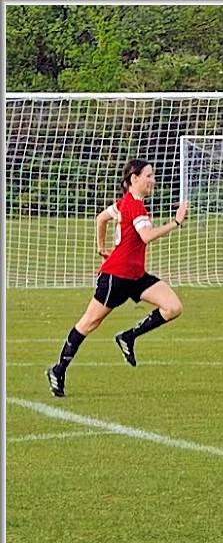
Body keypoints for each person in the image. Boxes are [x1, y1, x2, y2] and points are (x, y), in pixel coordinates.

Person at [46, 159, 189, 397]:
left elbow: (101, 218)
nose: (153, 180)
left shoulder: (124, 204)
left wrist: (101, 248)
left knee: (173, 307)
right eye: (149, 176)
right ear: (134, 179)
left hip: (135, 276)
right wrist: (175, 222)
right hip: (116, 277)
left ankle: (128, 337)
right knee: (88, 323)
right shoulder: (134, 206)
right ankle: (58, 370)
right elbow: (146, 236)